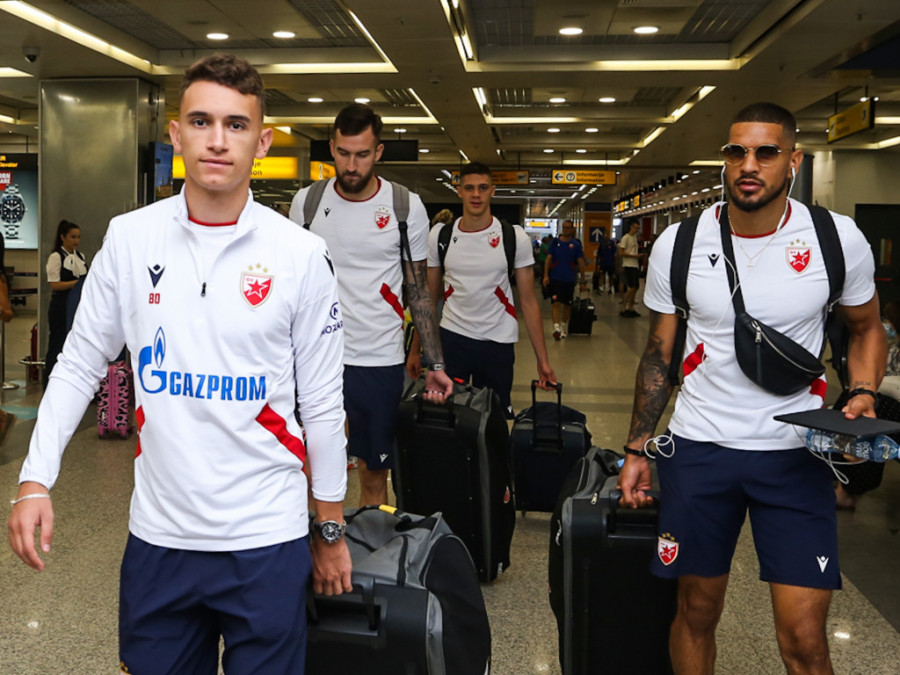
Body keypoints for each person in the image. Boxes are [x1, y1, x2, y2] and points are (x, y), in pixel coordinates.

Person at [9, 54, 352, 675]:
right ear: (175, 134)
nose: (217, 140)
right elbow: (80, 362)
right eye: (200, 121)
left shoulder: (301, 255)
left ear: (262, 142)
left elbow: (324, 405)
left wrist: (329, 531)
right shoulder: (129, 238)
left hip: (266, 540)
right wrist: (35, 479)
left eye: (236, 124)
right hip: (160, 541)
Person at [618, 102, 886, 674]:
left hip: (795, 454)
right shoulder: (680, 243)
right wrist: (638, 447)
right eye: (736, 151)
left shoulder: (835, 239)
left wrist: (862, 389)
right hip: (699, 449)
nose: (748, 165)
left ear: (794, 160)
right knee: (696, 610)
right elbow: (659, 354)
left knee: (805, 638)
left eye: (766, 153)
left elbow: (867, 328)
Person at [289, 103, 452, 507]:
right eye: (343, 153)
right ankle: (315, 543)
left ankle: (369, 543)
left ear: (378, 152)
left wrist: (434, 364)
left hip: (378, 359)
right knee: (309, 469)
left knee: (373, 472)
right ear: (332, 148)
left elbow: (418, 289)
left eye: (362, 154)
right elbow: (290, 286)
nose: (351, 165)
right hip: (315, 358)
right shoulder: (307, 204)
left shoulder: (404, 206)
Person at [407, 162, 557, 417]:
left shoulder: (514, 237)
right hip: (452, 339)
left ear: (492, 191)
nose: (476, 194)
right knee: (449, 418)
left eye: (483, 188)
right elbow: (429, 298)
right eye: (469, 188)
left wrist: (542, 360)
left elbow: (529, 302)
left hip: (497, 342)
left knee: (494, 419)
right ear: (459, 191)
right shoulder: (440, 236)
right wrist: (415, 350)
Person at [43, 219, 87, 386]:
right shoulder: (56, 257)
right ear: (63, 237)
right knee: (57, 343)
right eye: (72, 237)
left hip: (77, 305)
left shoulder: (80, 257)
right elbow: (54, 284)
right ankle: (49, 382)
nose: (76, 241)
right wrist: (76, 284)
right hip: (61, 306)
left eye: (78, 237)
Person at [543, 219, 586, 340]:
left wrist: (583, 280)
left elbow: (581, 262)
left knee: (567, 305)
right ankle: (556, 328)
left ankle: (563, 326)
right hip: (555, 278)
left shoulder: (576, 245)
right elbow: (548, 259)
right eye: (564, 227)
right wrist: (546, 275)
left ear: (572, 229)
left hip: (569, 279)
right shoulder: (555, 243)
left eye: (568, 228)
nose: (566, 230)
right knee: (555, 303)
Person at [618, 220, 642, 317]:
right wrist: (634, 256)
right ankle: (623, 307)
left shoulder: (634, 238)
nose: (637, 230)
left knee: (636, 287)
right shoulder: (625, 238)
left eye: (638, 228)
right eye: (636, 228)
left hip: (635, 265)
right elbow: (621, 252)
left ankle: (631, 307)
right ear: (631, 227)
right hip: (628, 265)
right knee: (631, 287)